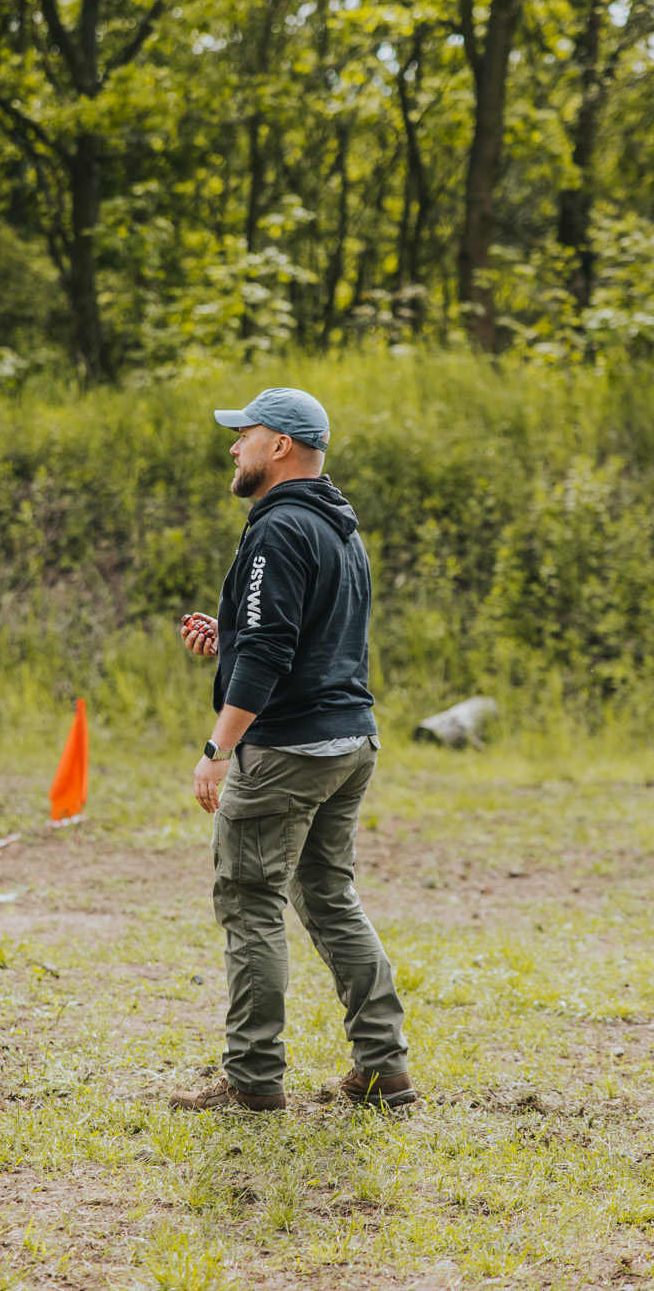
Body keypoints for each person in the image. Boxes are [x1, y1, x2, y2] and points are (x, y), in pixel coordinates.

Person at [168, 387, 416, 1113]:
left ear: (281, 445)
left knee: (250, 900)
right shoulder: (337, 524)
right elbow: (299, 634)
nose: (233, 445)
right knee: (331, 897)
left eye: (244, 433)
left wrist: (217, 747)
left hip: (289, 750)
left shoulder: (278, 529)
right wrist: (234, 637)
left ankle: (251, 1078)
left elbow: (275, 650)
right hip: (350, 741)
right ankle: (383, 1066)